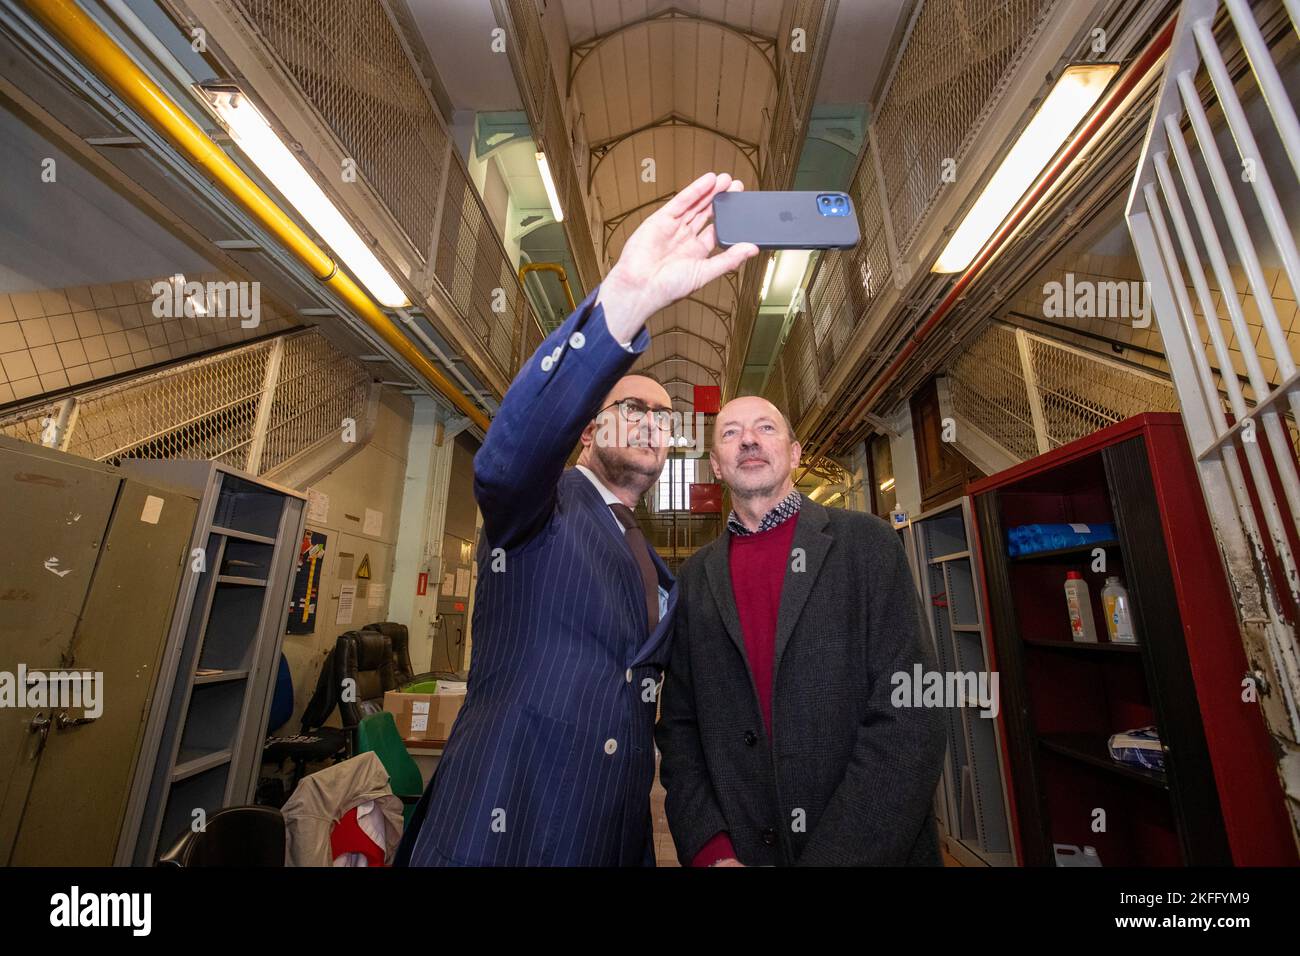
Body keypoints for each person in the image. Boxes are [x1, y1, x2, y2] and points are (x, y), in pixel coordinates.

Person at [396, 172, 759, 866]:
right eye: (634, 409)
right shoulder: (542, 503)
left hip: (607, 831)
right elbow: (507, 459)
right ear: (587, 430)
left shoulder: (652, 563)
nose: (654, 424)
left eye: (665, 418)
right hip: (505, 823)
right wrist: (624, 305)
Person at [655, 395, 947, 866]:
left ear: (794, 454)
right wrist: (712, 850)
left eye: (765, 428)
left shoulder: (867, 546)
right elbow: (680, 729)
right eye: (730, 433)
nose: (748, 439)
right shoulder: (694, 579)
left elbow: (912, 713)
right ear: (716, 466)